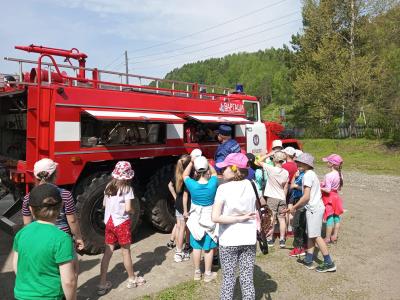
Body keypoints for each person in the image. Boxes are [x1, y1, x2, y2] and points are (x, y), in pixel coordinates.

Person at [22, 158, 84, 277]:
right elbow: (72, 219)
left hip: (40, 240)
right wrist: (78, 237)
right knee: (70, 272)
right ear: (55, 175)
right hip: (63, 239)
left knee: (47, 271)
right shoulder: (65, 195)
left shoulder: (28, 198)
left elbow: (27, 225)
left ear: (36, 177)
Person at [13, 183, 77, 300]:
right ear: (60, 206)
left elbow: (16, 266)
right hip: (50, 296)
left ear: (31, 209)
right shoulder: (62, 238)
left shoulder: (21, 234)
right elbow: (69, 281)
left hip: (22, 295)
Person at [212, 153, 257, 300]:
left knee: (228, 279)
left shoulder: (223, 189)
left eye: (224, 168)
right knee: (247, 279)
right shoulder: (252, 185)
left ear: (234, 169)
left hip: (229, 240)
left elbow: (215, 217)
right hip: (249, 238)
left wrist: (238, 218)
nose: (221, 171)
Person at [98, 161, 145, 295]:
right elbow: (128, 208)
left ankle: (102, 283)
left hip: (109, 222)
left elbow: (104, 204)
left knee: (108, 252)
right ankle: (131, 278)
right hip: (121, 224)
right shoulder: (127, 189)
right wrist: (133, 212)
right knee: (126, 252)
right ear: (128, 176)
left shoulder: (108, 186)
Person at [288, 153, 336, 272]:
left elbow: (306, 197)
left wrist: (294, 207)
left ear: (306, 164)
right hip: (314, 208)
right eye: (297, 162)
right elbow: (308, 190)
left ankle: (329, 262)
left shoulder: (308, 175)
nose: (297, 164)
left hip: (314, 209)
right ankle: (309, 260)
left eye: (299, 163)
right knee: (311, 234)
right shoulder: (309, 174)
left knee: (316, 236)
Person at [183, 156, 219, 282]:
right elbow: (214, 173)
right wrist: (208, 163)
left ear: (196, 172)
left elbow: (185, 175)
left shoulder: (192, 185)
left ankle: (197, 272)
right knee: (208, 248)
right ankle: (208, 274)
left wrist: (192, 162)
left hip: (195, 218)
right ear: (207, 170)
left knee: (197, 246)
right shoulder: (213, 183)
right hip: (209, 217)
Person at [257, 151, 289, 248]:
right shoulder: (286, 172)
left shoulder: (271, 169)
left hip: (272, 196)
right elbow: (285, 186)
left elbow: (258, 161)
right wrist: (284, 196)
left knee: (272, 218)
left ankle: (270, 239)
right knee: (282, 219)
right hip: (282, 197)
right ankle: (282, 239)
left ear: (274, 160)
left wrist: (268, 154)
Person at [168, 154, 192, 262]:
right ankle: (182, 250)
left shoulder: (177, 174)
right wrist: (186, 210)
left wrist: (175, 197)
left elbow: (169, 185)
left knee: (179, 227)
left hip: (178, 204)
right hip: (185, 205)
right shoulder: (188, 177)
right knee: (185, 228)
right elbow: (186, 195)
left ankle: (178, 251)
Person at [320, 154, 344, 244]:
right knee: (336, 217)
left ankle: (327, 238)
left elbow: (328, 190)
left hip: (329, 198)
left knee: (329, 217)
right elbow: (338, 188)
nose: (327, 163)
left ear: (332, 164)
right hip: (336, 197)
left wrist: (320, 187)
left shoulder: (328, 175)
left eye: (328, 162)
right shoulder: (340, 174)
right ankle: (334, 236)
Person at [288, 169, 307, 257]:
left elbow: (306, 191)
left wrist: (296, 186)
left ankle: (299, 248)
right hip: (296, 200)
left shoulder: (306, 175)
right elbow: (291, 186)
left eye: (300, 165)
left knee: (298, 224)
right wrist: (294, 177)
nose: (298, 167)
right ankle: (303, 245)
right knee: (299, 224)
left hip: (302, 200)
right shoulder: (299, 174)